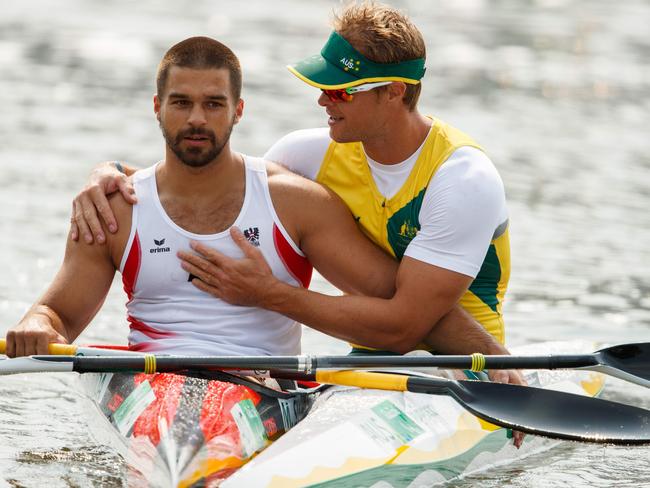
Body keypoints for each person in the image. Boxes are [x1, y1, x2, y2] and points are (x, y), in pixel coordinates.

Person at [70, 3, 516, 363]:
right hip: (368, 363)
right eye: (322, 85)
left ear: (395, 92)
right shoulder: (307, 154)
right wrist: (110, 171)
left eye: (341, 90)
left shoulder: (462, 179)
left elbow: (404, 328)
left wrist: (269, 294)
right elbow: (213, 181)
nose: (322, 99)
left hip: (471, 368)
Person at [5, 36, 402, 358]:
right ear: (158, 108)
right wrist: (38, 324)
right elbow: (58, 314)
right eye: (181, 103)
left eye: (214, 104)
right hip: (150, 388)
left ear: (238, 111)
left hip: (265, 387)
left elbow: (398, 308)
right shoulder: (115, 210)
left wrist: (275, 296)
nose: (197, 118)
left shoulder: (294, 204)